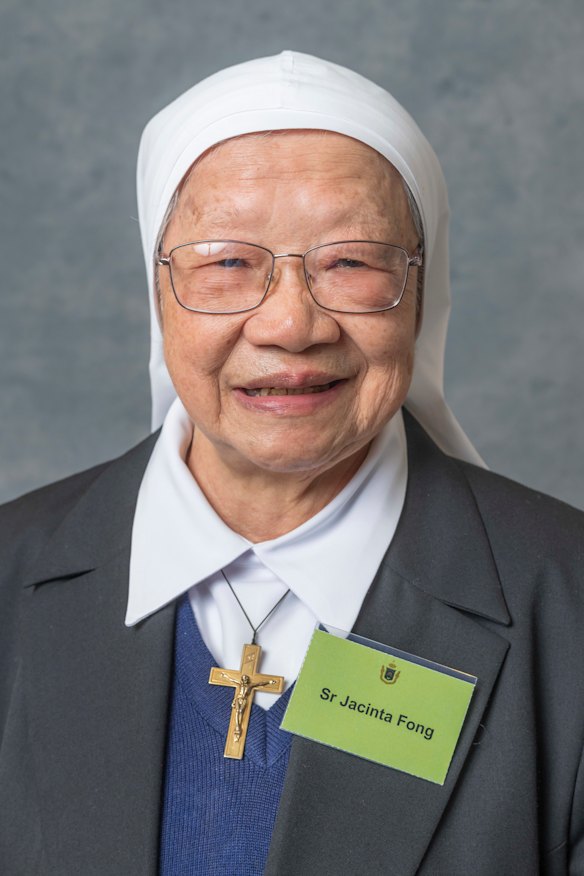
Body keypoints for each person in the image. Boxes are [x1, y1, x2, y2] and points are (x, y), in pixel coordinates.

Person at [0, 50, 583, 876]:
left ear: (422, 288)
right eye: (227, 262)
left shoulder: (571, 607)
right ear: (157, 288)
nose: (290, 326)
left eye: (350, 261)